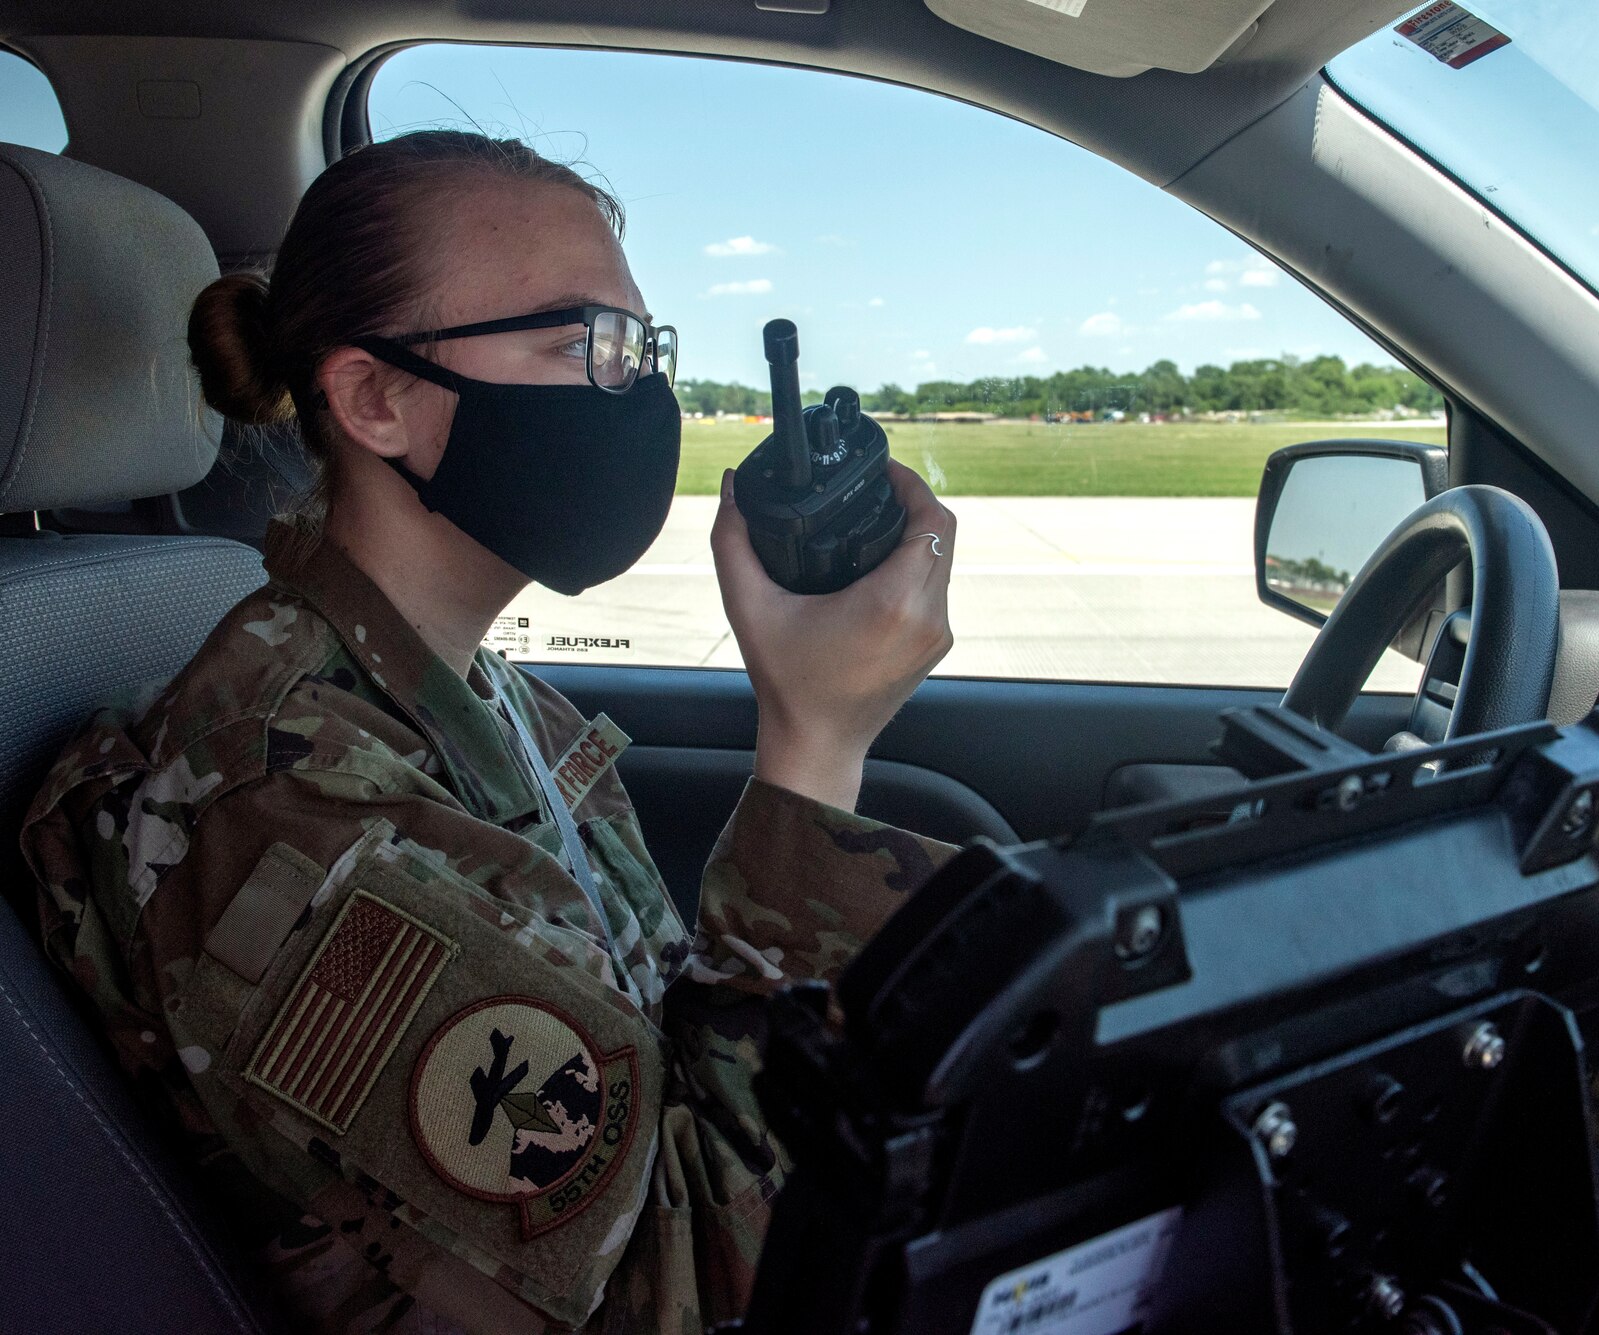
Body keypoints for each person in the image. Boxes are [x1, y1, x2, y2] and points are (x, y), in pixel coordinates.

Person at [21, 129, 959, 1334]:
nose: (642, 393)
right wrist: (814, 749)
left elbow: (665, 1043)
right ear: (375, 400)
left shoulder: (478, 697)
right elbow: (684, 1307)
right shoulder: (288, 816)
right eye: (587, 344)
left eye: (643, 347)